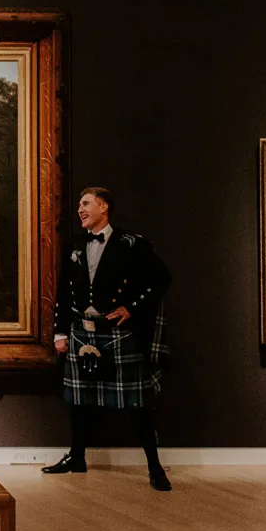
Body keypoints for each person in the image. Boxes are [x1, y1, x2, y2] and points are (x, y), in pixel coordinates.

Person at [43, 187, 173, 490]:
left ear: (104, 207)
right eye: (78, 204)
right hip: (81, 331)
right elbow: (63, 291)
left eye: (86, 203)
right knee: (77, 402)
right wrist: (60, 332)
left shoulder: (131, 244)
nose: (80, 209)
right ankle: (77, 457)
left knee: (138, 404)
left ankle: (154, 467)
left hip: (118, 334)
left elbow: (162, 279)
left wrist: (133, 308)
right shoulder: (76, 245)